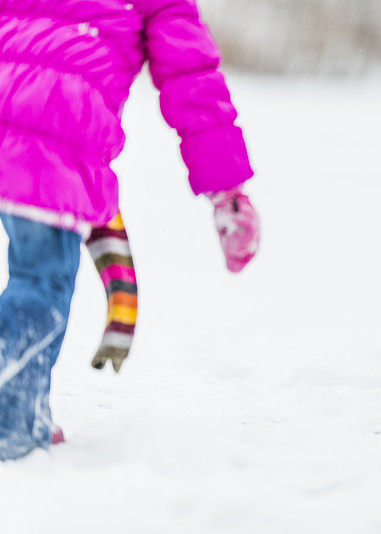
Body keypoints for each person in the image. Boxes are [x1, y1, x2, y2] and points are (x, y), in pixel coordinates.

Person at [0, 0, 260, 460]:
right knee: (40, 282)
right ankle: (12, 420)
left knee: (35, 280)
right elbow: (191, 79)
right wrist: (228, 189)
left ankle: (23, 409)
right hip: (55, 127)